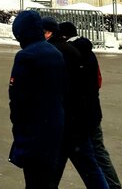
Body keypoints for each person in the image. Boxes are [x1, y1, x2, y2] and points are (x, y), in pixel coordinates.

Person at [41, 16, 108, 189]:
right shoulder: (78, 51)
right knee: (92, 165)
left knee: (90, 164)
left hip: (70, 121)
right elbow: (95, 82)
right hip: (82, 117)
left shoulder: (59, 53)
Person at [59, 21, 122, 189]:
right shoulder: (88, 52)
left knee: (84, 157)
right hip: (92, 112)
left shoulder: (69, 54)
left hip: (78, 116)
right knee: (98, 154)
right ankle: (113, 186)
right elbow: (98, 81)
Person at [9, 10, 67, 189]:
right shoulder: (54, 52)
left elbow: (17, 97)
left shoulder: (25, 56)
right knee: (46, 180)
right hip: (54, 125)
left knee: (33, 180)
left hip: (33, 127)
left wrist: (18, 124)